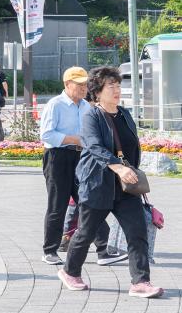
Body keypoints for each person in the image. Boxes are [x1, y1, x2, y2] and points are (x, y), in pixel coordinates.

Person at [58, 66, 163, 298]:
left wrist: (131, 171)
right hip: (97, 183)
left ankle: (140, 282)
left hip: (125, 186)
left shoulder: (124, 114)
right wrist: (118, 167)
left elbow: (132, 147)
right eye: (111, 86)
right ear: (97, 91)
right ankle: (70, 271)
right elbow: (93, 146)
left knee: (137, 232)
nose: (117, 90)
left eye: (118, 85)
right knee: (86, 232)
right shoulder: (91, 116)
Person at [41, 67, 115, 266]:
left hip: (82, 158)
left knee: (89, 201)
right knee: (58, 205)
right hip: (58, 158)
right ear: (67, 84)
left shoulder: (87, 107)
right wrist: (76, 140)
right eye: (79, 84)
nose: (84, 88)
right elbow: (47, 135)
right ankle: (50, 250)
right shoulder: (55, 105)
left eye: (85, 84)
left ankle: (103, 249)